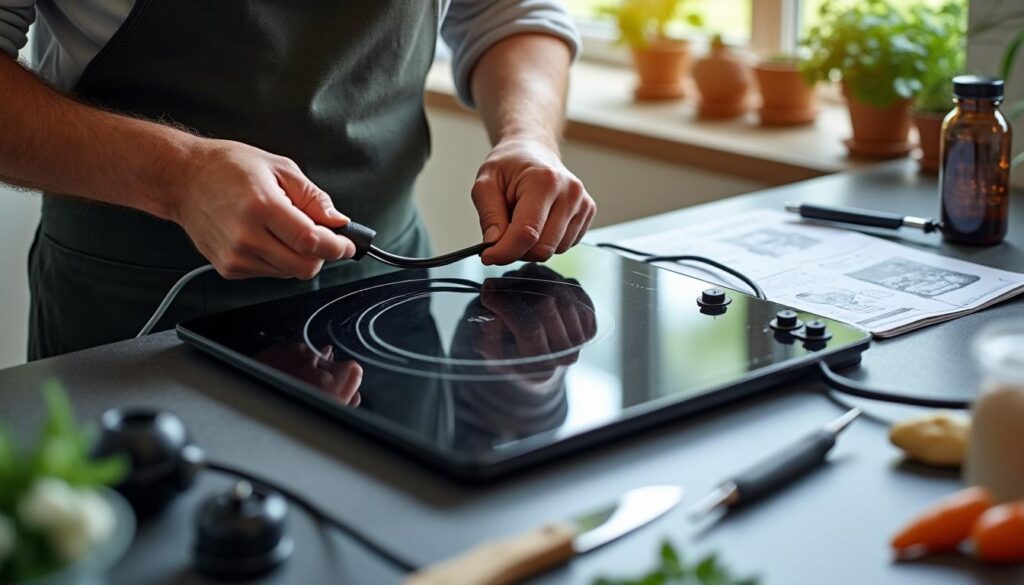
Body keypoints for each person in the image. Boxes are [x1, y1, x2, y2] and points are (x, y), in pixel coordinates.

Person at [0, 1, 595, 360]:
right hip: (133, 318)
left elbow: (508, 12)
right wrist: (178, 174)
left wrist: (528, 136)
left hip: (388, 293)